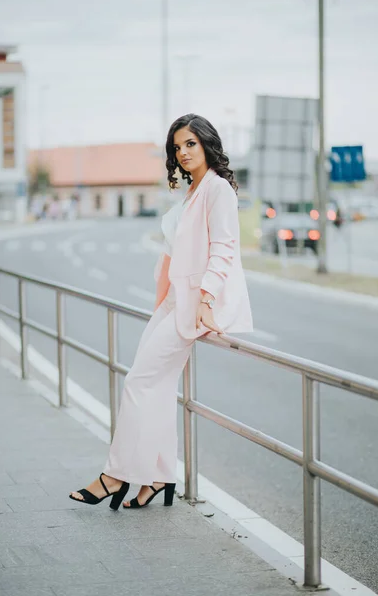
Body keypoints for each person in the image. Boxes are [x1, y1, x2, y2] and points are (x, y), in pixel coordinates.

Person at [69, 113, 253, 510]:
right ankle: (158, 477)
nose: (183, 152)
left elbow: (224, 249)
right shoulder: (194, 191)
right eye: (177, 147)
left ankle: (115, 476)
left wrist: (205, 300)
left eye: (190, 143)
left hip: (192, 306)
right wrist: (159, 308)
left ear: (206, 143)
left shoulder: (218, 190)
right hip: (171, 306)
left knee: (139, 383)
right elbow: (172, 257)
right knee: (156, 387)